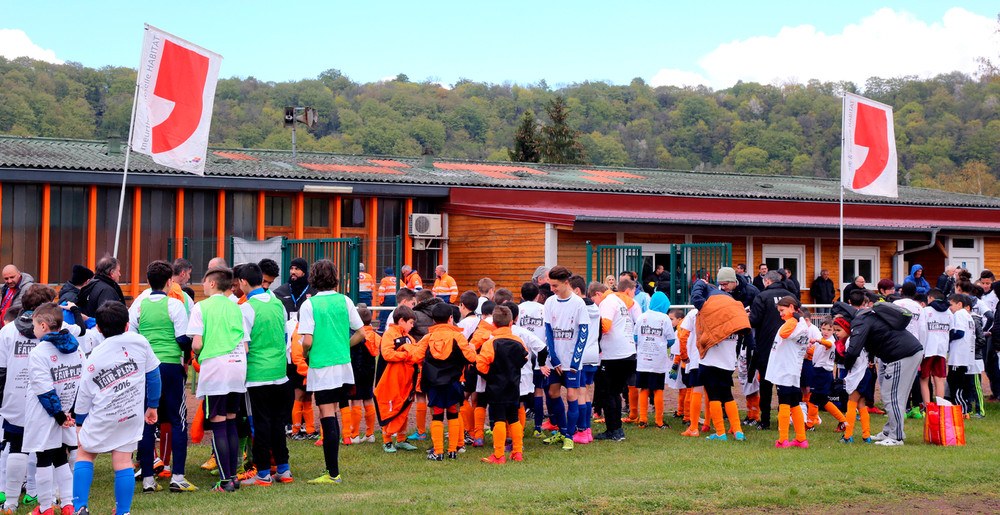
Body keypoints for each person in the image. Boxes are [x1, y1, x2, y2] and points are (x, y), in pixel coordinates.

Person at [72, 302, 161, 515]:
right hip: (130, 413)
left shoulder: (95, 355)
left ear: (99, 328)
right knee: (123, 461)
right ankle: (123, 511)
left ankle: (80, 507)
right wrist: (153, 407)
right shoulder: (140, 341)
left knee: (84, 454)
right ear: (128, 324)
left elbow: (84, 393)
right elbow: (154, 375)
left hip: (103, 414)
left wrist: (79, 422)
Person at [129, 261, 195, 493]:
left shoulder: (138, 305)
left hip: (146, 368)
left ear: (147, 281)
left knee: (147, 421)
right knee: (177, 420)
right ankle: (177, 476)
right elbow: (182, 339)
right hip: (169, 366)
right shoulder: (175, 305)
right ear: (170, 281)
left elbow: (132, 337)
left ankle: (148, 479)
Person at [299, 259, 365, 484]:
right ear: (334, 277)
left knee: (326, 415)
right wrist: (342, 346)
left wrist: (306, 353)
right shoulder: (345, 300)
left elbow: (307, 340)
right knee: (332, 413)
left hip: (322, 366)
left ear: (313, 278)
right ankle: (332, 471)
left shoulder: (309, 304)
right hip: (343, 366)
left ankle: (333, 473)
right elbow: (361, 333)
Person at [188, 267, 249, 492]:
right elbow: (244, 343)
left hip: (216, 369)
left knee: (218, 423)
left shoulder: (201, 307)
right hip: (238, 367)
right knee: (231, 420)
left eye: (204, 282)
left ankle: (226, 481)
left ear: (212, 284)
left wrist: (196, 355)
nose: (202, 286)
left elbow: (197, 344)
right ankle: (233, 475)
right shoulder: (237, 308)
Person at [0, 284, 57, 514]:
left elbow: (1, 371)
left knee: (16, 447)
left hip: (15, 397)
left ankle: (11, 502)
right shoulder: (51, 331)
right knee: (48, 451)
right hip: (46, 399)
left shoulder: (7, 331)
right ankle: (46, 501)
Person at [23, 303, 83, 515]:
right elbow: (81, 381)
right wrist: (72, 412)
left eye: (34, 325)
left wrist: (58, 415)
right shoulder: (77, 348)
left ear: (43, 325)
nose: (32, 330)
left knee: (43, 459)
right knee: (61, 457)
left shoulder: (40, 352)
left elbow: (43, 388)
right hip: (67, 411)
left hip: (47, 414)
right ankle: (67, 504)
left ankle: (46, 507)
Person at [236, 263, 294, 487]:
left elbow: (245, 346)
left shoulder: (246, 308)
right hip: (279, 372)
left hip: (257, 374)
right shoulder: (278, 304)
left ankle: (262, 474)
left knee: (259, 423)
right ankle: (283, 469)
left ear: (243, 282)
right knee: (277, 422)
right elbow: (285, 337)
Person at [841, 296, 924, 446]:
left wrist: (845, 365)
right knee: (889, 394)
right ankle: (888, 431)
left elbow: (853, 351)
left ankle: (896, 437)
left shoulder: (859, 322)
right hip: (906, 353)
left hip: (902, 354)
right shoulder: (867, 317)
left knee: (893, 397)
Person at [690, 279, 751, 441]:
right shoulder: (734, 310)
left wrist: (700, 283)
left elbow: (695, 298)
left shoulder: (709, 308)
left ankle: (720, 432)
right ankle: (738, 431)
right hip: (728, 361)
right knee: (728, 396)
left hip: (710, 361)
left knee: (714, 397)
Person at [416, 303, 476, 461]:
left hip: (434, 384)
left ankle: (438, 451)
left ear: (433, 320)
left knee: (436, 416)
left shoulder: (428, 337)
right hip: (454, 383)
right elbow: (471, 357)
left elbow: (415, 357)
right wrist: (471, 348)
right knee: (453, 414)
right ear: (451, 319)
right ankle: (453, 450)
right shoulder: (458, 336)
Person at [539, 266, 590, 450]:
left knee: (571, 395)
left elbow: (583, 334)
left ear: (566, 283)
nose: (552, 289)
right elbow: (548, 332)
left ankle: (570, 435)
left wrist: (575, 363)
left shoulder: (578, 303)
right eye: (550, 285)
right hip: (555, 361)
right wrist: (554, 359)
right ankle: (561, 430)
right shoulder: (550, 302)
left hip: (572, 362)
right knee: (552, 394)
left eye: (555, 285)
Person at [477, 306, 529, 464]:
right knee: (513, 418)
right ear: (512, 322)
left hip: (496, 387)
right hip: (513, 385)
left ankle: (499, 455)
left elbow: (480, 365)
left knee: (499, 419)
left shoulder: (490, 343)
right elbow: (525, 358)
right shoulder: (518, 341)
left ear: (493, 323)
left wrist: (490, 375)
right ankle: (517, 451)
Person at [592, 277, 639, 442]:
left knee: (607, 393)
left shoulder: (607, 302)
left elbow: (605, 325)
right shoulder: (618, 300)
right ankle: (617, 429)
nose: (595, 304)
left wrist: (593, 331)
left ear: (598, 294)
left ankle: (613, 430)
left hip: (614, 355)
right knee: (615, 393)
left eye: (593, 301)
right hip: (627, 352)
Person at [748, 271, 794, 430]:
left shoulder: (762, 296)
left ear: (767, 281)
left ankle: (765, 421)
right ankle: (785, 419)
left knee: (766, 386)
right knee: (785, 384)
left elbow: (753, 320)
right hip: (788, 346)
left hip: (766, 345)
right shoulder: (791, 295)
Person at [765, 296, 810, 448]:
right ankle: (801, 439)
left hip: (785, 369)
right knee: (794, 403)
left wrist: (793, 318)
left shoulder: (795, 324)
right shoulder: (801, 325)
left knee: (784, 403)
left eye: (782, 310)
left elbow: (784, 334)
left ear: (791, 307)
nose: (780, 314)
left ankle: (783, 439)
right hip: (792, 369)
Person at [374, 306, 420, 453]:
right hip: (391, 380)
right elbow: (387, 354)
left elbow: (416, 352)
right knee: (389, 408)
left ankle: (401, 439)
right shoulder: (389, 334)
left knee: (404, 408)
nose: (412, 326)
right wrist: (405, 354)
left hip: (407, 380)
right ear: (401, 321)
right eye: (411, 323)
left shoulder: (409, 337)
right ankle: (387, 440)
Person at [632, 292, 675, 430]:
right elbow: (671, 339)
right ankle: (659, 421)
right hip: (658, 359)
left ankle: (643, 419)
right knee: (657, 389)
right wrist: (662, 345)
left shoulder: (642, 317)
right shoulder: (665, 318)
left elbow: (635, 337)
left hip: (643, 359)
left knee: (644, 388)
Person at [831, 315, 874, 443]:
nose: (836, 333)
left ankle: (848, 435)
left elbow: (852, 358)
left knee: (851, 403)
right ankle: (867, 435)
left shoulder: (851, 341)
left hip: (859, 375)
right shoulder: (856, 339)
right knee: (861, 404)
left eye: (838, 330)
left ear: (847, 328)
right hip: (864, 374)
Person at [805, 317, 848, 431]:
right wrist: (808, 349)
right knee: (823, 400)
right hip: (820, 372)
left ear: (834, 331)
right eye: (823, 329)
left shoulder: (830, 341)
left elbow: (827, 345)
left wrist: (818, 341)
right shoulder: (822, 340)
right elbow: (814, 352)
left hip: (822, 373)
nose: (825, 332)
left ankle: (810, 425)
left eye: (829, 330)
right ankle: (843, 420)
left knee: (814, 399)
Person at [921, 288, 952, 409]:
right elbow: (951, 329)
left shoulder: (926, 310)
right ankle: (940, 407)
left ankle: (928, 406)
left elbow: (922, 329)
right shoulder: (949, 312)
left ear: (931, 298)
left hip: (928, 348)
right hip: (942, 349)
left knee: (924, 378)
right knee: (939, 379)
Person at [946, 294, 976, 414]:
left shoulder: (959, 314)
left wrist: (947, 336)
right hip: (966, 355)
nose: (950, 308)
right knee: (961, 383)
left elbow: (959, 333)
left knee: (956, 385)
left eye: (951, 305)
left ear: (959, 304)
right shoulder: (968, 316)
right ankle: (962, 409)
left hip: (958, 357)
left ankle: (961, 410)